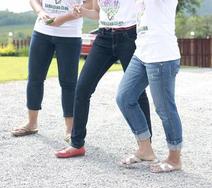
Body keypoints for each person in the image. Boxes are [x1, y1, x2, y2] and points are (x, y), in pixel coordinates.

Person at [55, 0, 152, 158]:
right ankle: (77, 144)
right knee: (82, 88)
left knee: (137, 92)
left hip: (129, 36)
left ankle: (146, 147)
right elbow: (97, 12)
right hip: (104, 38)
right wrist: (84, 12)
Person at [116, 0, 182, 173]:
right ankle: (145, 149)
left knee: (165, 109)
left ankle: (174, 159)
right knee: (125, 97)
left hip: (162, 56)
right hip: (142, 53)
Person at [11, 0, 91, 142]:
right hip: (42, 32)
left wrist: (63, 19)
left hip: (70, 35)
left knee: (68, 83)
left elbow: (90, 5)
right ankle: (32, 123)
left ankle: (69, 128)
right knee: (35, 78)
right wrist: (41, 12)